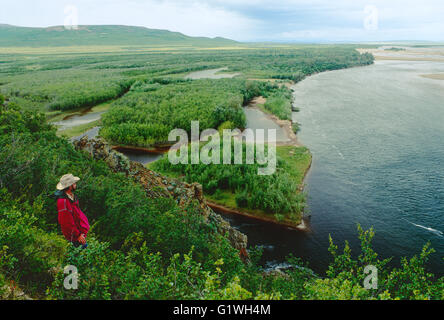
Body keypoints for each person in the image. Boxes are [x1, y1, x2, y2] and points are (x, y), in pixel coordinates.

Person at [54, 174, 90, 248]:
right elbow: (67, 223)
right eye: (74, 183)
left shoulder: (71, 196)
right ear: (70, 186)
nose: (75, 184)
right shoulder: (63, 202)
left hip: (80, 234)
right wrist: (78, 235)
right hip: (75, 238)